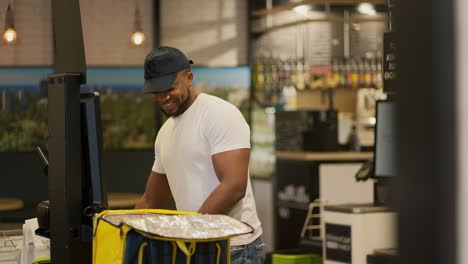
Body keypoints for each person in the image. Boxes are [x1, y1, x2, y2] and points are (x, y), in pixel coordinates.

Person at [135, 46, 264, 264]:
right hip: (195, 248)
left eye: (169, 87)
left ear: (189, 78)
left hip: (233, 250)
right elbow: (150, 199)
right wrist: (118, 227)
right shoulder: (165, 133)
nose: (163, 97)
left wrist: (189, 231)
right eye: (156, 91)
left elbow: (234, 187)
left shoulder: (219, 114)